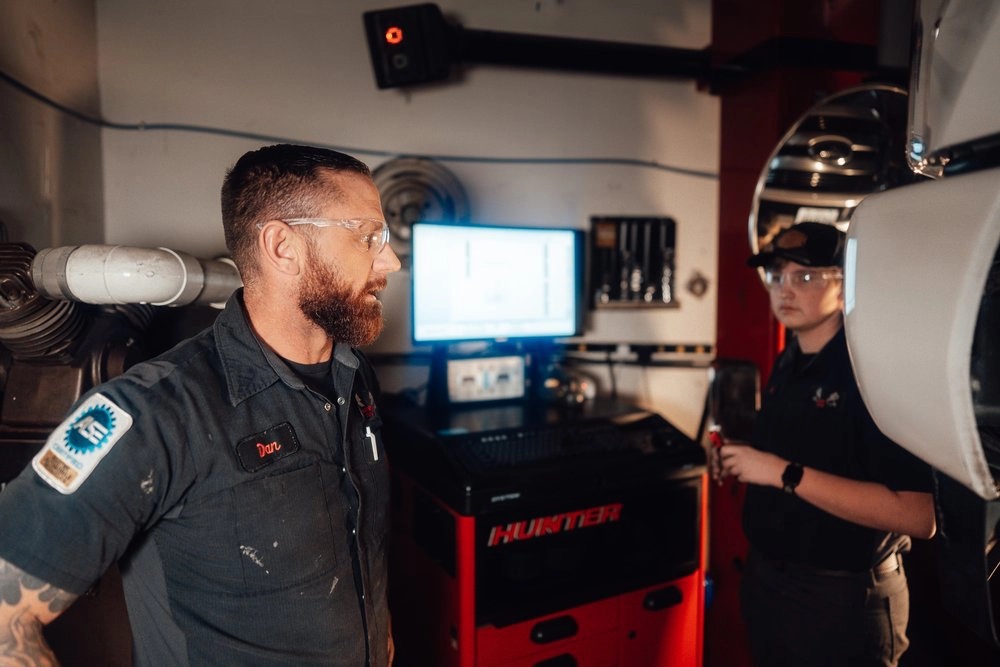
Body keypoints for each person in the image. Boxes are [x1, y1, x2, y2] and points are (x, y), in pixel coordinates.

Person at [0, 144, 402, 665]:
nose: (390, 260)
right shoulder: (153, 413)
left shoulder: (354, 374)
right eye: (367, 236)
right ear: (283, 246)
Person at [712, 221, 936, 667]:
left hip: (841, 598)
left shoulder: (873, 370)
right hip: (770, 582)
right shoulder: (791, 358)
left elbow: (918, 516)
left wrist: (782, 474)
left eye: (806, 276)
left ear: (845, 284)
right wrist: (741, 460)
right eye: (777, 275)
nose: (785, 289)